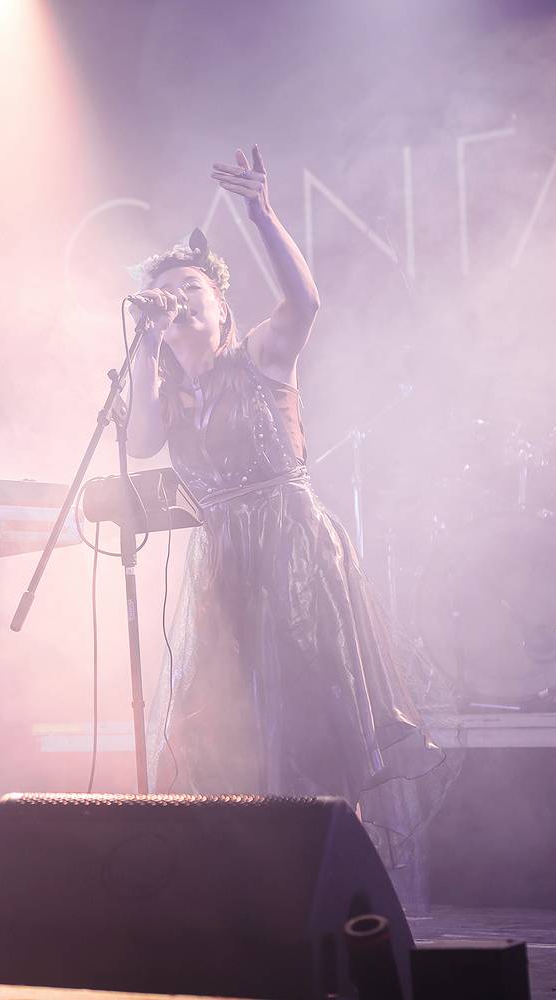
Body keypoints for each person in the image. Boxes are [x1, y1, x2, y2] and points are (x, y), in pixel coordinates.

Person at [128, 146, 451, 870]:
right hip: (225, 565)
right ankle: (267, 879)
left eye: (190, 288)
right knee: (238, 727)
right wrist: (145, 348)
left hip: (295, 550)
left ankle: (343, 879)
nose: (177, 300)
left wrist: (261, 213)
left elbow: (305, 303)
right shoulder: (166, 394)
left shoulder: (260, 357)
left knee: (313, 720)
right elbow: (141, 443)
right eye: (165, 293)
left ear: (221, 305)